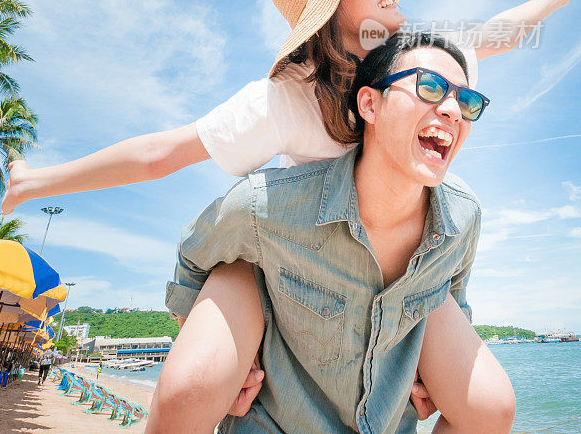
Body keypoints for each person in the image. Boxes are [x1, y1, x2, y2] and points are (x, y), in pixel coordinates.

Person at [2, 0, 568, 425]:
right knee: (189, 387)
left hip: (387, 264)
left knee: (491, 404)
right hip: (292, 258)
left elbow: (494, 35)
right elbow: (162, 154)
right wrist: (38, 183)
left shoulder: (417, 60)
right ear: (333, 5)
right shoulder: (286, 99)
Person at [153, 32, 510, 434]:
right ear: (370, 104)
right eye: (429, 87)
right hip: (276, 421)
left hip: (390, 420)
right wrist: (209, 351)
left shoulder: (463, 216)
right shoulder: (266, 205)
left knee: (493, 406)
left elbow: (454, 286)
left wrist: (435, 369)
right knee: (185, 391)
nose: (453, 111)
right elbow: (194, 253)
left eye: (468, 102)